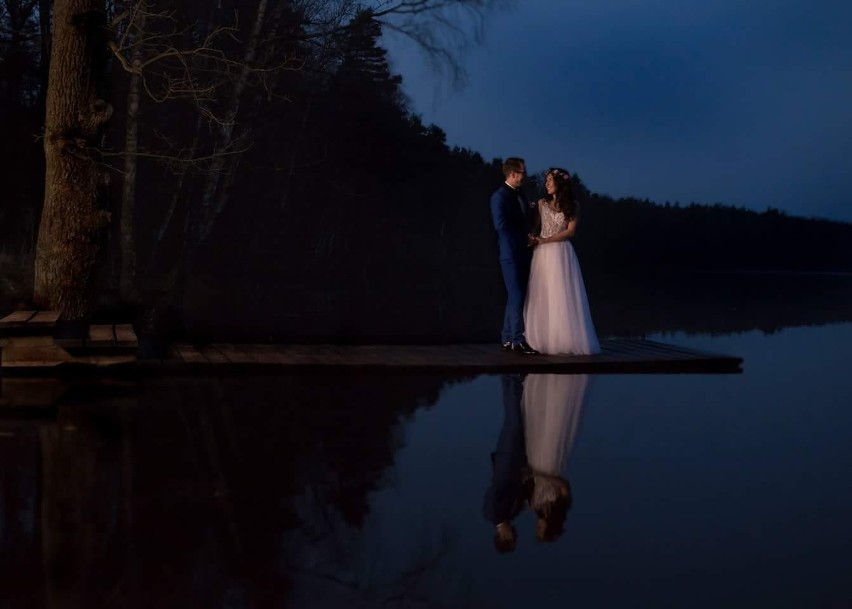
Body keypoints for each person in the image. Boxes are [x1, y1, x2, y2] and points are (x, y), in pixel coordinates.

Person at [524, 167, 600, 355]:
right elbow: (536, 227)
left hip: (561, 252)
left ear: (560, 183)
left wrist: (546, 240)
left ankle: (564, 340)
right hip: (542, 254)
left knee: (561, 295)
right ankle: (540, 339)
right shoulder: (542, 203)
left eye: (550, 180)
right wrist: (533, 238)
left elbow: (570, 231)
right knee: (542, 294)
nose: (547, 184)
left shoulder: (573, 206)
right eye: (546, 180)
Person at [522, 373, 590, 543]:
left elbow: (527, 483)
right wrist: (539, 474)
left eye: (537, 528)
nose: (538, 525)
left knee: (535, 427)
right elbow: (564, 484)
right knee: (552, 431)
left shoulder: (534, 507)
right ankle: (556, 390)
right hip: (550, 464)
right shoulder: (562, 506)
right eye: (540, 529)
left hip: (536, 462)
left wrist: (530, 476)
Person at [490, 157, 539, 355]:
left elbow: (524, 218)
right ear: (512, 174)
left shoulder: (521, 195)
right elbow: (500, 226)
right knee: (517, 295)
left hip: (522, 251)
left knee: (515, 296)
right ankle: (517, 340)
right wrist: (524, 237)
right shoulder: (499, 196)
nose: (525, 176)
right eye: (523, 173)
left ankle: (507, 337)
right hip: (510, 252)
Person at [483, 374, 533, 553]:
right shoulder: (512, 514)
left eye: (511, 536)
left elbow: (497, 489)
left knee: (515, 423)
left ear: (503, 536)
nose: (514, 533)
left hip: (506, 463)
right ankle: (508, 380)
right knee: (515, 423)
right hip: (516, 464)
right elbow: (521, 492)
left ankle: (513, 380)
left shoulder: (492, 514)